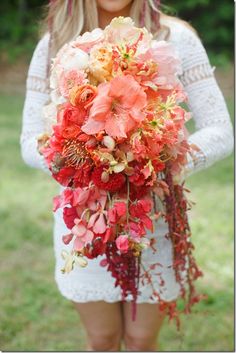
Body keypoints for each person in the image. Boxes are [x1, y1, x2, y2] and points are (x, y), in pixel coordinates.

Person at [20, 0, 234, 351]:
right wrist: (79, 163)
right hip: (84, 220)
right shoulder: (55, 43)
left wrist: (159, 159)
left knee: (140, 340)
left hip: (154, 219)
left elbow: (221, 130)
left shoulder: (175, 37)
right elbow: (29, 140)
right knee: (102, 340)